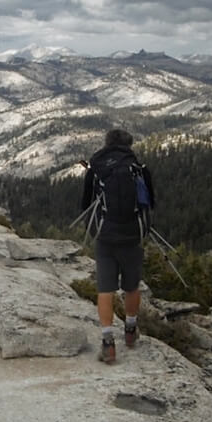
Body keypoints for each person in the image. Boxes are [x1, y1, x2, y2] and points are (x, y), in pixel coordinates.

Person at [80, 128, 155, 364]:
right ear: (129, 145)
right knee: (131, 287)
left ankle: (108, 343)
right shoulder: (139, 169)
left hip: (105, 236)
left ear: (107, 143)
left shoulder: (97, 169)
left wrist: (94, 230)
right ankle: (131, 330)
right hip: (132, 235)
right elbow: (150, 202)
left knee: (105, 290)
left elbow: (85, 204)